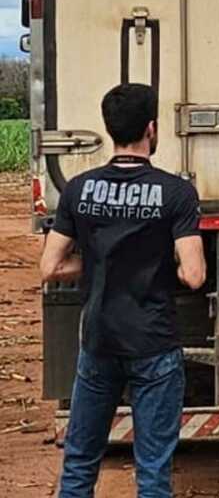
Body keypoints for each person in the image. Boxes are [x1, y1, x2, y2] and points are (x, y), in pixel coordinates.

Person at [40, 83, 206, 497]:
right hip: (153, 344)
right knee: (152, 472)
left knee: (79, 463)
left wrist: (99, 261)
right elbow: (194, 275)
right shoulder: (176, 193)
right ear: (152, 128)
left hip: (99, 342)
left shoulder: (78, 188)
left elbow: (51, 266)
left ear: (109, 128)